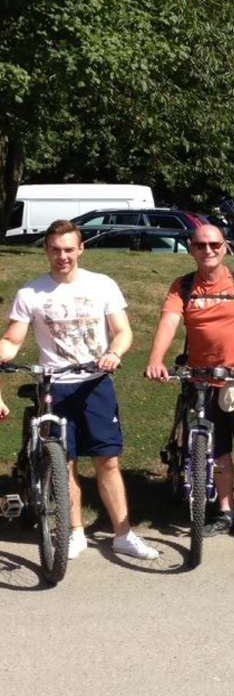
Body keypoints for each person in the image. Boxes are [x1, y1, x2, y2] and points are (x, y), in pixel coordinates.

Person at [0, 219, 158, 561]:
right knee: (64, 463)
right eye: (55, 250)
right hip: (55, 386)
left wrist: (114, 353)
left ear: (81, 249)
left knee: (108, 461)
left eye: (69, 249)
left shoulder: (102, 285)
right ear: (46, 250)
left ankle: (123, 534)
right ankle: (74, 532)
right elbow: (13, 340)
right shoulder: (31, 292)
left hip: (95, 384)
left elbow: (123, 331)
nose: (62, 256)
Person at [145, 224, 234, 544]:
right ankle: (226, 511)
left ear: (225, 247)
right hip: (200, 381)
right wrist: (155, 358)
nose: (208, 250)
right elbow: (169, 321)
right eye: (201, 245)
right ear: (191, 249)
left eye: (214, 244)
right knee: (216, 452)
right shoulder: (183, 286)